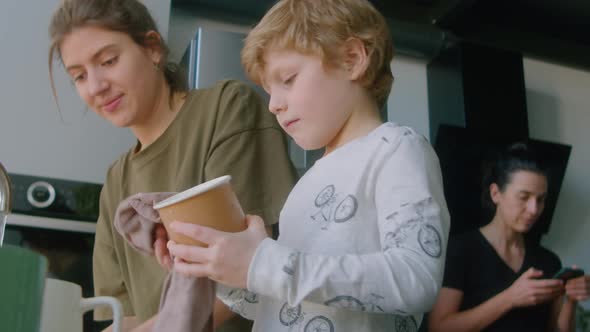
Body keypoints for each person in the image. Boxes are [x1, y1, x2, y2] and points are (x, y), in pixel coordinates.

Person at [162, 0, 451, 330]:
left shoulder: (396, 148)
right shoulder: (309, 180)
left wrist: (266, 263)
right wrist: (226, 268)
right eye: (269, 90)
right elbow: (286, 301)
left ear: (352, 60)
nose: (273, 105)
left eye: (287, 79)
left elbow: (416, 278)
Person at [48, 0, 298, 331]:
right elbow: (124, 317)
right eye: (79, 76)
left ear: (152, 48)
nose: (95, 86)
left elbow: (243, 275)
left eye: (108, 61)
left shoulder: (226, 108)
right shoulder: (115, 182)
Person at [428, 143, 590, 332]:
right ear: (496, 193)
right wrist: (511, 298)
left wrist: (570, 299)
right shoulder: (460, 251)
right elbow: (439, 328)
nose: (534, 209)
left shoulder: (548, 261)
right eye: (524, 197)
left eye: (541, 199)